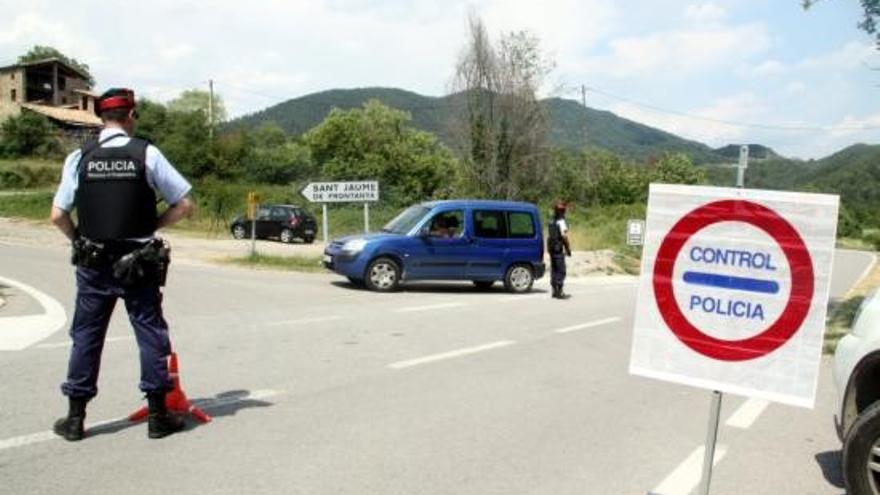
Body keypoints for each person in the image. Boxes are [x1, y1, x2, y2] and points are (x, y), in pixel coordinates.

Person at [50, 88, 195, 441]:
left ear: (102, 117)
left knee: (86, 336)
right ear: (130, 116)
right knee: (149, 332)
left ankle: (74, 419)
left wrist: (80, 242)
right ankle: (158, 416)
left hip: (93, 263)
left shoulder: (80, 157)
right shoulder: (147, 153)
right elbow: (185, 204)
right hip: (139, 262)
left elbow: (57, 215)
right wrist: (153, 226)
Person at [547, 200, 572, 299]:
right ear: (562, 211)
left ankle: (554, 290)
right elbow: (564, 237)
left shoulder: (551, 220)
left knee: (554, 270)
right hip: (558, 248)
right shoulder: (561, 221)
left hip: (551, 248)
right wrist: (568, 248)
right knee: (561, 270)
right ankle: (559, 291)